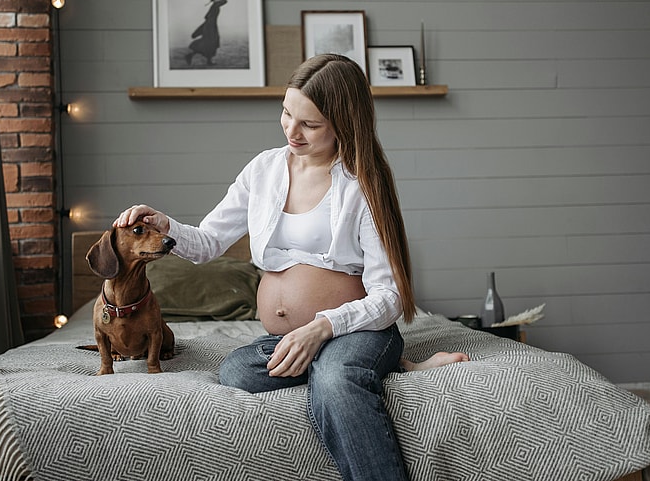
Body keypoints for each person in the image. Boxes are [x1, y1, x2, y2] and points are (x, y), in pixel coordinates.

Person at [114, 54, 468, 481]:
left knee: (336, 381)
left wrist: (320, 329)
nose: (291, 131)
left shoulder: (362, 185)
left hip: (355, 329)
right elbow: (208, 243)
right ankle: (391, 366)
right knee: (236, 370)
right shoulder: (263, 169)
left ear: (344, 123)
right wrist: (165, 225)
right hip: (290, 333)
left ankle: (367, 361)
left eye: (310, 124)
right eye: (286, 113)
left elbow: (389, 297)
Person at [185, 0, 227, 66]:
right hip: (210, 27)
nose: (220, 0)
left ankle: (207, 61)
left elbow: (207, 17)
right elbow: (225, 1)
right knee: (210, 43)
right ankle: (191, 56)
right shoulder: (215, 6)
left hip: (210, 26)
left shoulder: (214, 6)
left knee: (210, 43)